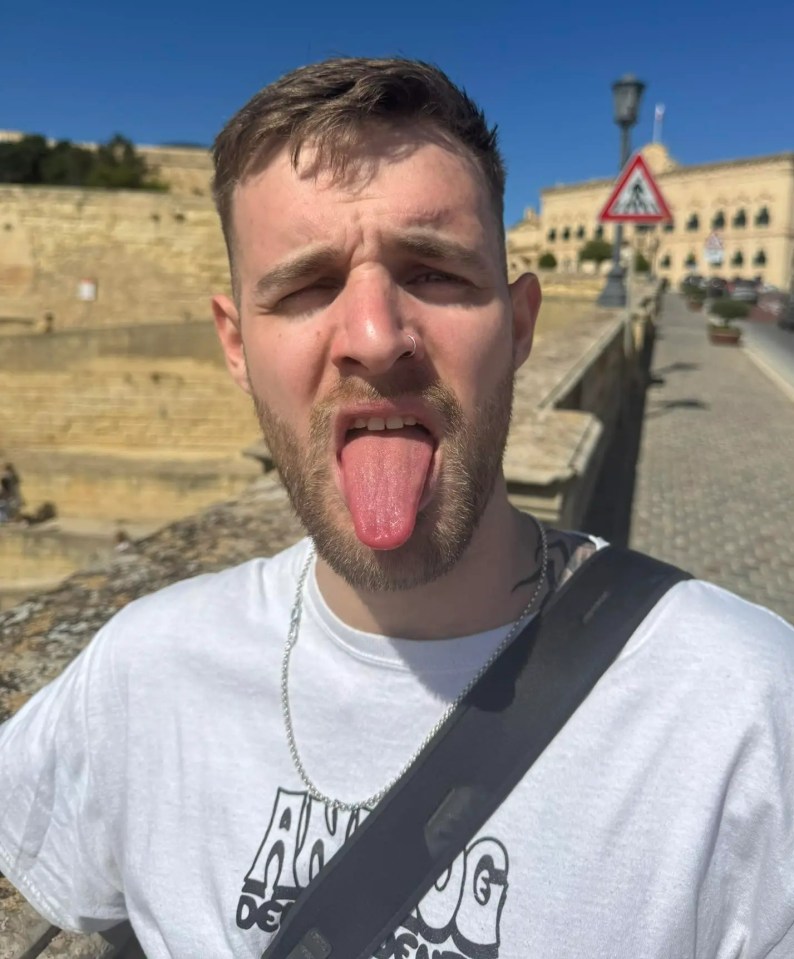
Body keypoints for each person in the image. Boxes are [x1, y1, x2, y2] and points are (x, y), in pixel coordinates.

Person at [1, 58, 793, 959]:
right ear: (236, 344)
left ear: (522, 323)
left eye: (436, 272)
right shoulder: (140, 678)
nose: (376, 338)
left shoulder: (747, 718)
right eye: (305, 286)